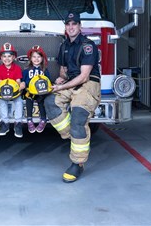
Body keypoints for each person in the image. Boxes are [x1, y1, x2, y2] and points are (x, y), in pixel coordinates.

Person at [44, 11, 101, 182]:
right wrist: (60, 79)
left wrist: (62, 85)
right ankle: (75, 136)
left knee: (78, 115)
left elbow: (84, 76)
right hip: (71, 82)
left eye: (74, 24)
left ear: (80, 26)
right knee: (50, 102)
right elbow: (63, 70)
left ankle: (78, 163)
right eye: (68, 24)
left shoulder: (88, 46)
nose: (71, 27)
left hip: (88, 83)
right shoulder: (64, 46)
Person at [0, 42, 25, 138]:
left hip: (14, 92)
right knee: (2, 101)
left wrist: (21, 86)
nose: (7, 59)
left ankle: (18, 123)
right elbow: (0, 83)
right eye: (4, 56)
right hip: (4, 92)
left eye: (9, 56)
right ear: (1, 58)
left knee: (19, 101)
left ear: (14, 57)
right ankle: (5, 123)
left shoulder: (17, 68)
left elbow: (18, 82)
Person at [22, 45, 51, 134]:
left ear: (42, 58)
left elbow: (48, 81)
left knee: (41, 101)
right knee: (28, 99)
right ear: (30, 58)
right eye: (34, 57)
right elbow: (23, 81)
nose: (36, 59)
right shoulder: (26, 70)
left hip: (41, 92)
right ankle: (29, 120)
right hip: (30, 91)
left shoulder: (44, 70)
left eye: (39, 57)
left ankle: (43, 119)